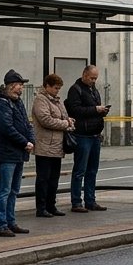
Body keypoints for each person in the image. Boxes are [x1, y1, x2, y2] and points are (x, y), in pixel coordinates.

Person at [0, 69, 36, 237]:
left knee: (14, 190)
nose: (21, 89)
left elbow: (27, 124)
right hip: (7, 153)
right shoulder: (2, 103)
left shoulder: (18, 103)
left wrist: (31, 140)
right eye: (19, 85)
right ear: (10, 86)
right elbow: (6, 128)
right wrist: (25, 142)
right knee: (4, 190)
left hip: (18, 153)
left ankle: (11, 221)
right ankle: (1, 224)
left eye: (22, 86)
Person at [64, 65, 110, 212]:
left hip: (95, 134)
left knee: (92, 170)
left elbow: (92, 108)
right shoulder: (75, 90)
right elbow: (75, 110)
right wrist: (95, 109)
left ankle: (90, 200)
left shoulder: (94, 90)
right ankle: (76, 202)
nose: (93, 81)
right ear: (84, 74)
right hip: (82, 135)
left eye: (95, 78)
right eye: (91, 78)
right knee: (80, 170)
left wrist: (102, 111)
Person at [32, 73, 75, 218]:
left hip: (57, 145)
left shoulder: (57, 101)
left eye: (59, 88)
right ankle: (41, 207)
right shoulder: (40, 100)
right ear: (47, 86)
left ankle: (51, 205)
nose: (57, 91)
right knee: (43, 178)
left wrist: (69, 120)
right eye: (56, 88)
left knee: (54, 178)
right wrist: (65, 123)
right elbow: (45, 120)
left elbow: (63, 116)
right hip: (45, 145)